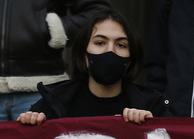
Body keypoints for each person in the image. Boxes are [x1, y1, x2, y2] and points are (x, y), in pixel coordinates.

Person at [18, 10, 164, 124]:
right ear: (83, 54)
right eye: (100, 43)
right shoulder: (53, 104)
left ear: (131, 58)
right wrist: (31, 124)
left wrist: (152, 126)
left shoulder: (150, 106)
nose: (110, 51)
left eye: (121, 45)